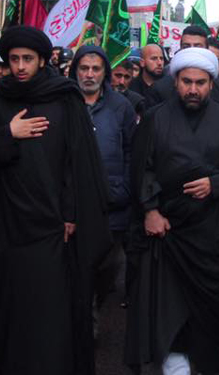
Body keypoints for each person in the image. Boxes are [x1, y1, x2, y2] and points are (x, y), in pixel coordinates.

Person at [0, 26, 110, 375]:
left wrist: (72, 213)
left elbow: (79, 162)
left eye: (28, 59)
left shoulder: (64, 98)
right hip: (8, 229)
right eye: (14, 59)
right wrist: (7, 135)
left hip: (54, 229)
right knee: (16, 311)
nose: (21, 66)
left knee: (51, 312)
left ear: (42, 60)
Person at [126, 47, 219, 375]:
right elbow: (142, 168)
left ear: (212, 84)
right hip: (169, 232)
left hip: (212, 233)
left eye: (200, 82)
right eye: (186, 82)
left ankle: (204, 362)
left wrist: (216, 184)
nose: (193, 89)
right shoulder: (156, 118)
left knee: (213, 310)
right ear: (176, 82)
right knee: (169, 307)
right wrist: (150, 210)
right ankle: (175, 361)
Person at [70, 45, 137, 324]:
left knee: (107, 266)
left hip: (113, 204)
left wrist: (123, 190)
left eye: (95, 68)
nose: (89, 74)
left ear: (105, 73)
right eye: (84, 68)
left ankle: (95, 303)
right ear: (75, 71)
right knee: (75, 267)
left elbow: (133, 151)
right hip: (73, 204)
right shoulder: (64, 102)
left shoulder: (121, 106)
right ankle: (83, 319)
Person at [146, 27, 219, 115]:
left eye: (197, 46)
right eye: (186, 47)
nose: (192, 51)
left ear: (207, 49)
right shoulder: (159, 90)